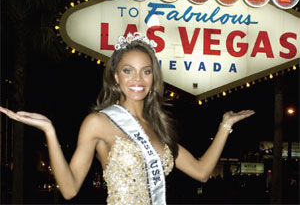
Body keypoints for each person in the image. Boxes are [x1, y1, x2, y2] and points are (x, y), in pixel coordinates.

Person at [0, 32, 255, 205]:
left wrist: (225, 125)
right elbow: (69, 190)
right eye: (127, 71)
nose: (137, 79)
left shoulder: (158, 126)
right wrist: (49, 131)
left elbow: (201, 172)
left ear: (153, 77)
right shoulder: (99, 122)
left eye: (145, 71)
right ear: (115, 77)